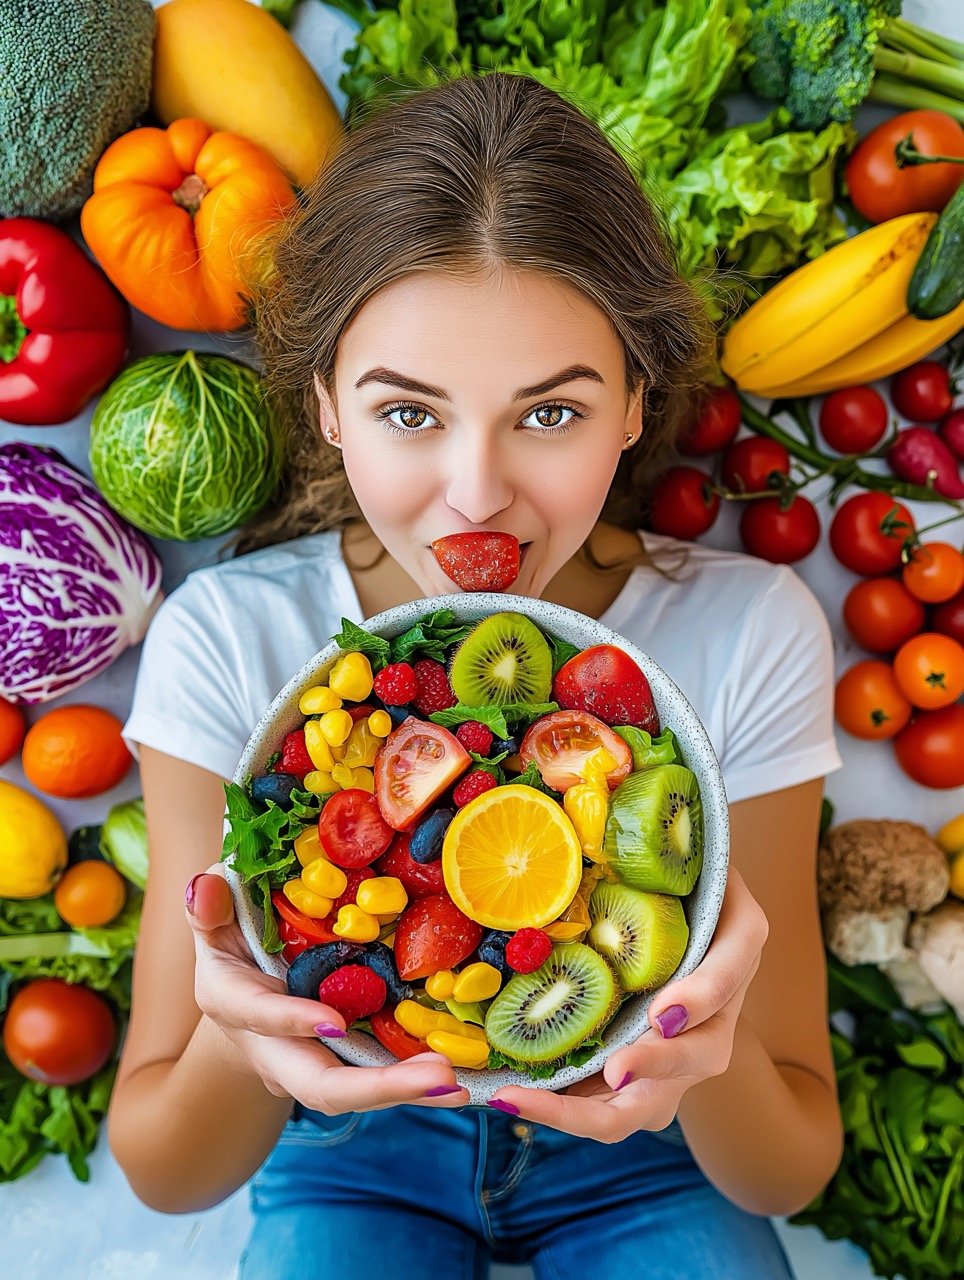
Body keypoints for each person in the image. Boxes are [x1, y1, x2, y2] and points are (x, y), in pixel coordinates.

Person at [108, 71, 845, 1279]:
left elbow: (788, 1167)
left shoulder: (748, 628)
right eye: (409, 413)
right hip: (345, 1136)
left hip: (647, 1151)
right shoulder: (228, 639)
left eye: (548, 415)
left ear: (630, 409)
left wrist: (701, 1037)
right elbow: (166, 1166)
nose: (476, 491)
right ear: (330, 407)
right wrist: (239, 1031)